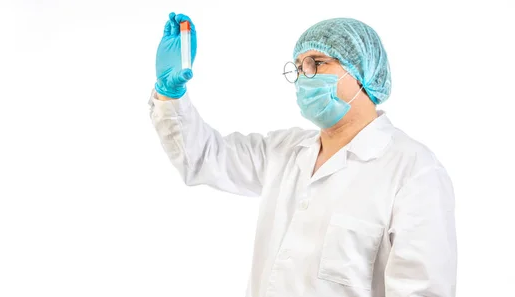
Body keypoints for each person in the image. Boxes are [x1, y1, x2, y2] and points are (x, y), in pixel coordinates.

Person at [147, 12, 457, 297]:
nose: (304, 77)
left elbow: (422, 290)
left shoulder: (414, 171)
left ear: (362, 69)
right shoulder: (284, 152)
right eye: (299, 67)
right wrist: (169, 95)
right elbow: (202, 158)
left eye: (316, 63)